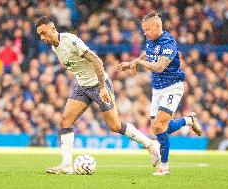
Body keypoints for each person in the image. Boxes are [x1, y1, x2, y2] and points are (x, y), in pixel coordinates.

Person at [35, 16, 160, 174]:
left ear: (53, 28)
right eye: (40, 35)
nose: (42, 37)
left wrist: (102, 88)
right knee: (65, 121)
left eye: (44, 33)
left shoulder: (70, 41)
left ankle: (150, 144)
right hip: (82, 86)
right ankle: (66, 165)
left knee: (114, 126)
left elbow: (97, 61)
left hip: (99, 84)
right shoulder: (55, 48)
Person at [118, 12, 202, 176]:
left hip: (172, 87)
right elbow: (148, 55)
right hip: (157, 89)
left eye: (147, 29)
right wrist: (133, 62)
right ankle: (188, 120)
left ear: (158, 26)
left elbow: (159, 66)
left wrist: (140, 63)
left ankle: (164, 167)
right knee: (159, 128)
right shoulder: (151, 40)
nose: (145, 33)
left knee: (158, 126)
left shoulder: (168, 42)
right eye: (143, 30)